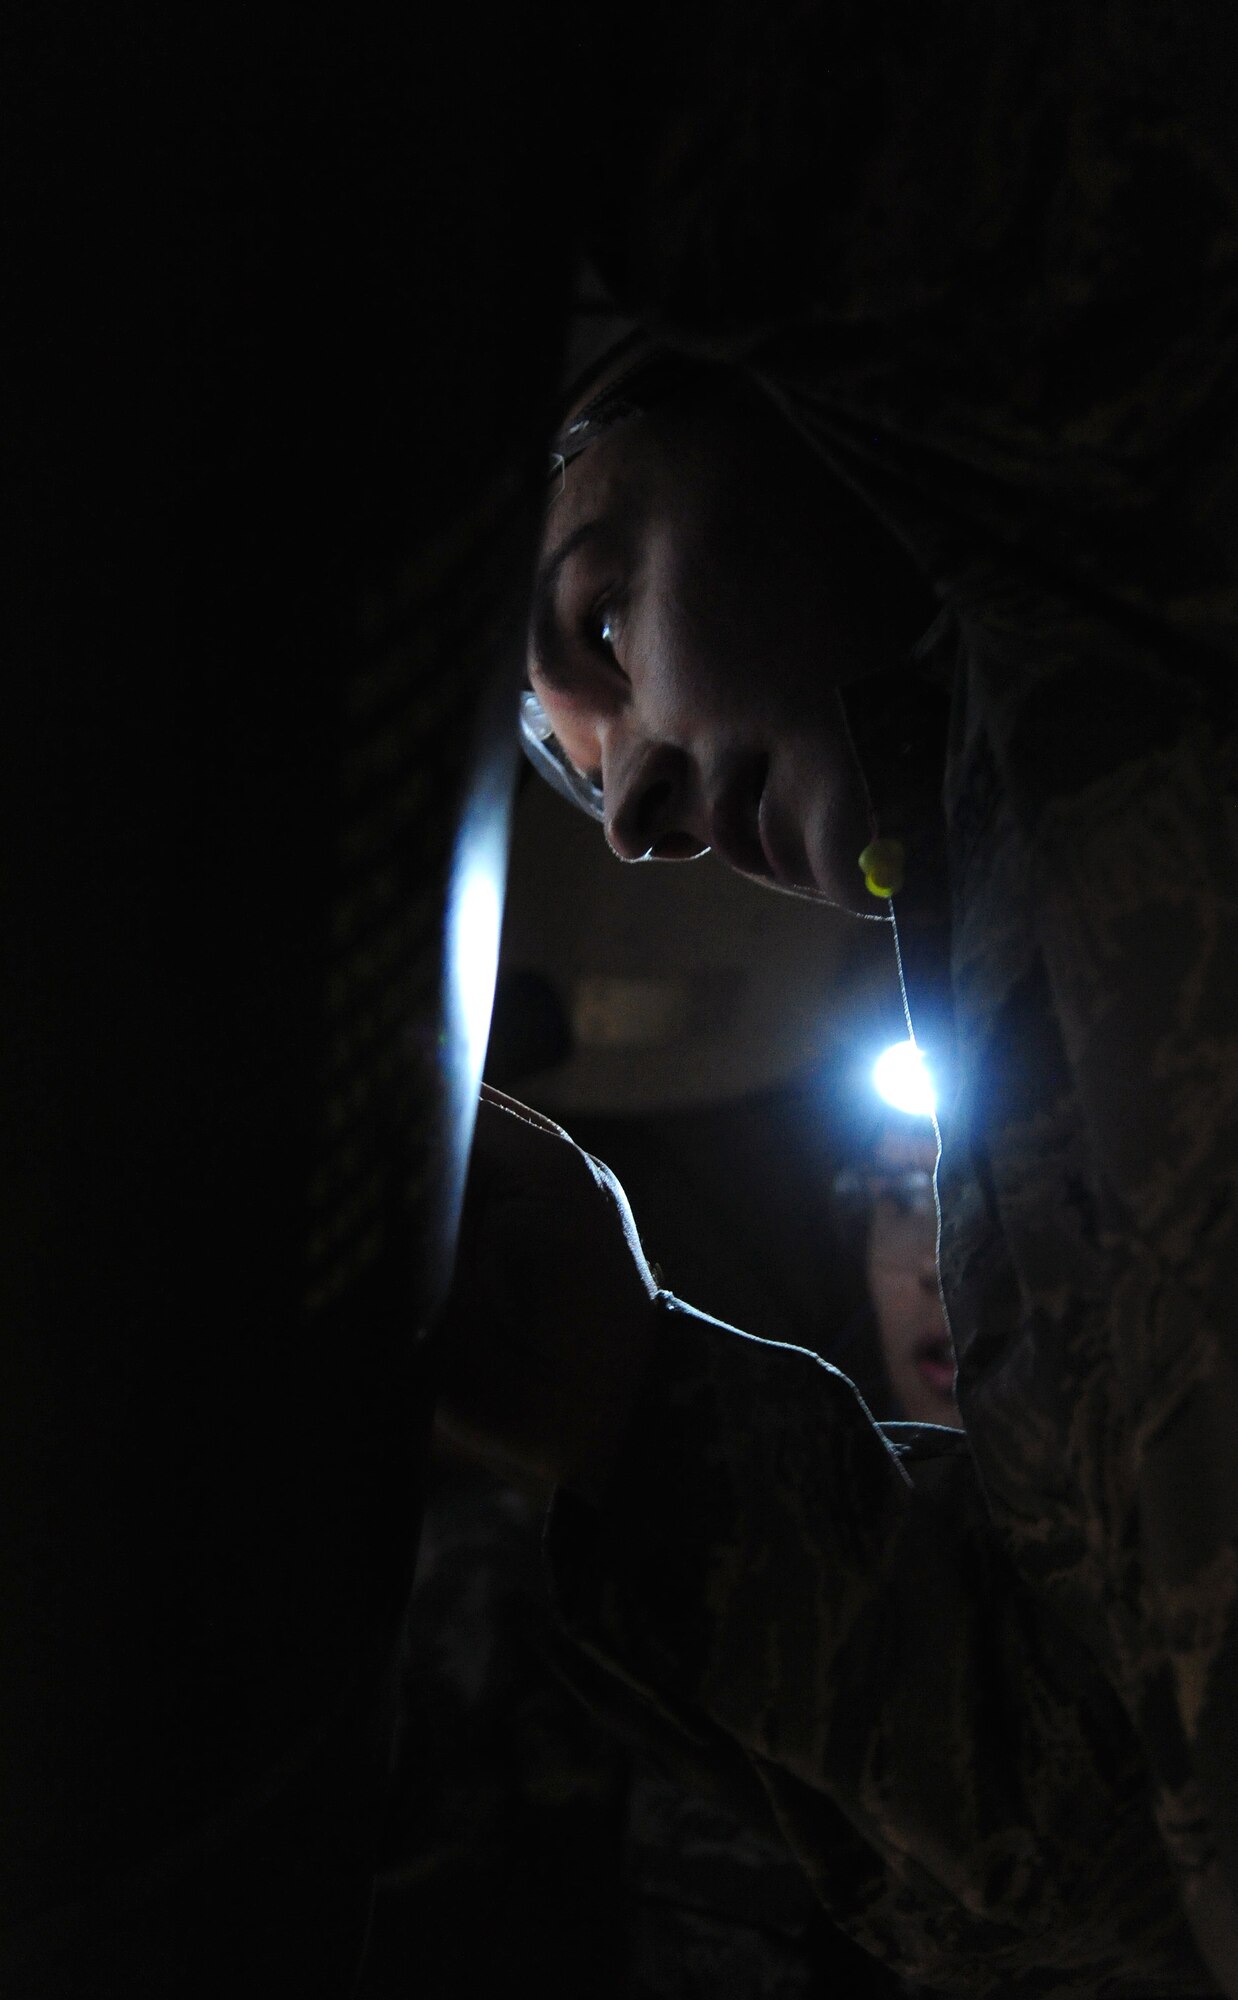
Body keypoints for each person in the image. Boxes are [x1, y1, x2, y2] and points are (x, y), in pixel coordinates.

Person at [436, 14, 1238, 1997]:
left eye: (600, 619)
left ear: (774, 406)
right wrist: (640, 1407)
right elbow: (1114, 1848)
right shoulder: (1029, 1110)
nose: (623, 804)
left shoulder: (1137, 565)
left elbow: (832, 156)